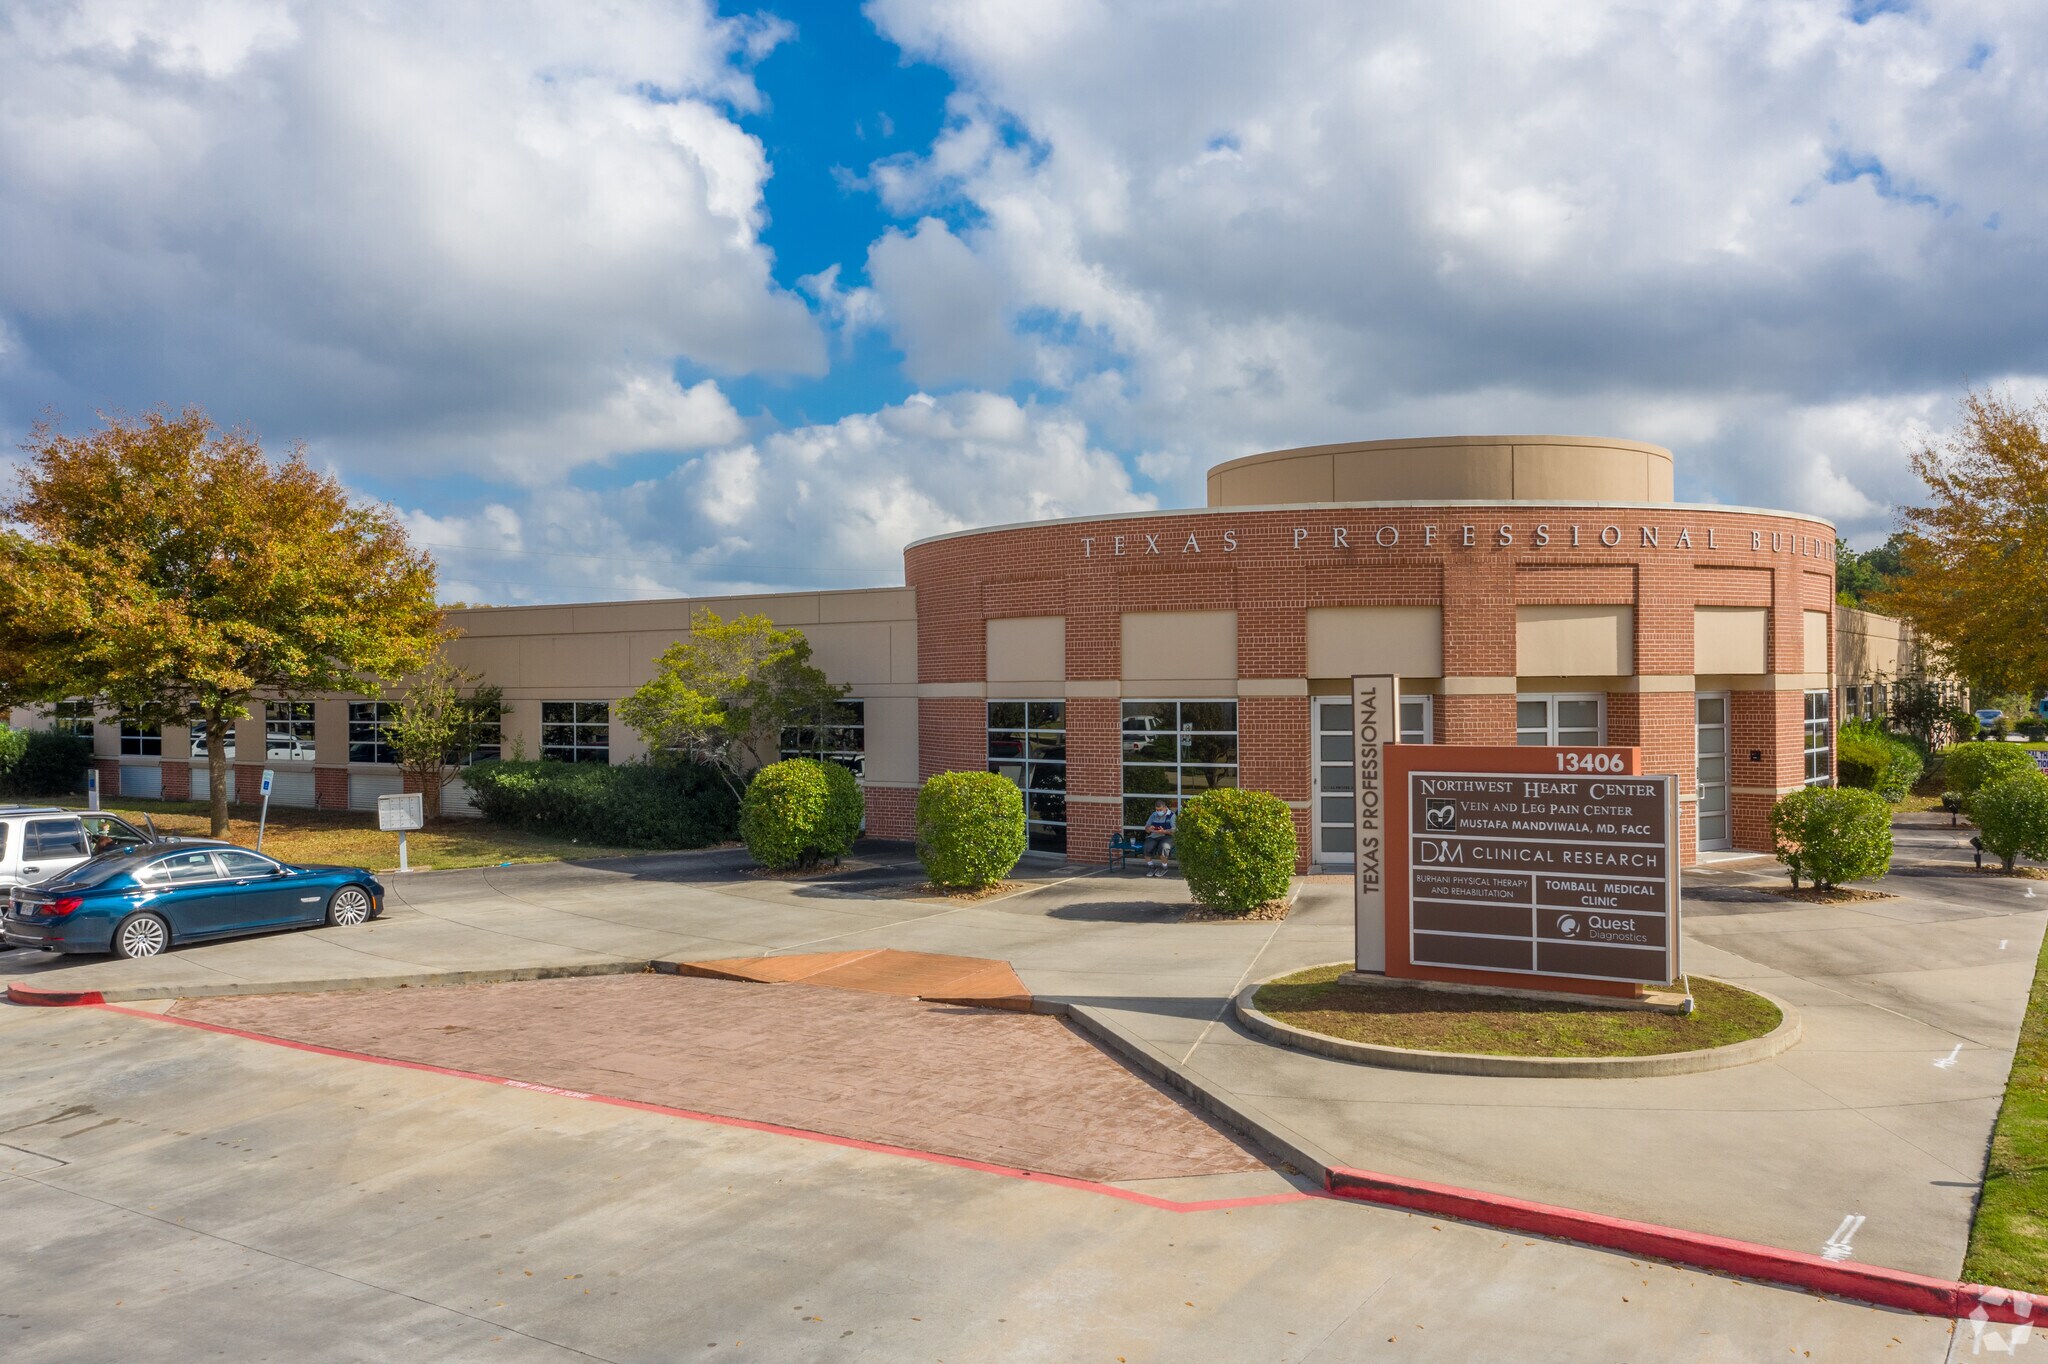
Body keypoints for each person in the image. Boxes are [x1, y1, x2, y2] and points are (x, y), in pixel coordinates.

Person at [1142, 800, 1175, 877]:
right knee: (1147, 847)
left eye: (1160, 810)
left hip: (1168, 837)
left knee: (1163, 847)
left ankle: (1164, 867)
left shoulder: (1172, 815)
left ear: (1165, 808)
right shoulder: (1153, 815)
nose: (1159, 811)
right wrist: (1149, 828)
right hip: (1154, 836)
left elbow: (1174, 830)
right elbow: (1146, 828)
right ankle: (1151, 867)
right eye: (1157, 810)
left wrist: (1164, 831)